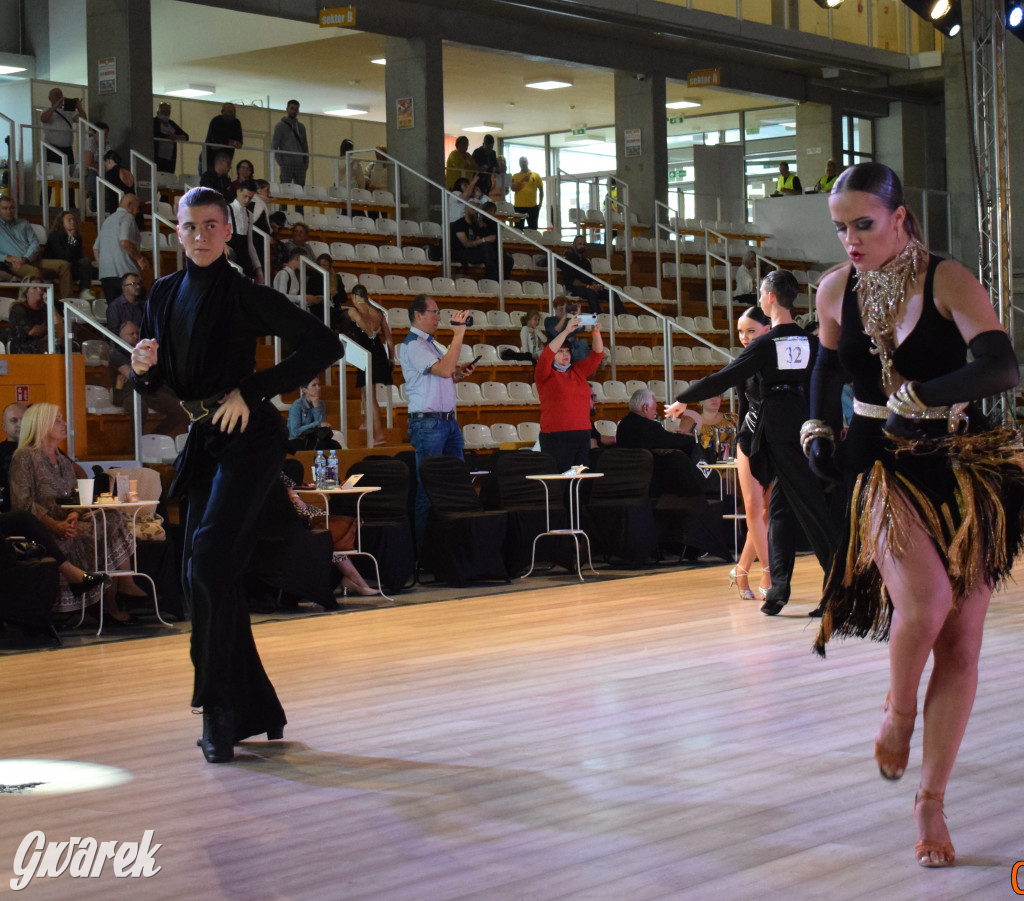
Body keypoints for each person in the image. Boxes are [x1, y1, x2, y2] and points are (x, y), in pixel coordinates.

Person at [805, 162, 1024, 867]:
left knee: (961, 640)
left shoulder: (949, 280)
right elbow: (825, 367)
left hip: (962, 468)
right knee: (924, 603)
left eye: (863, 224)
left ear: (901, 218)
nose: (851, 240)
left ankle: (930, 799)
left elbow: (1000, 366)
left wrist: (926, 393)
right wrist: (815, 427)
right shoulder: (836, 287)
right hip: (877, 466)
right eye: (841, 228)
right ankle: (897, 714)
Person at [129, 186, 342, 763]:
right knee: (203, 570)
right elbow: (159, 381)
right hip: (204, 440)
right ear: (176, 231)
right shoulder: (165, 293)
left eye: (210, 225)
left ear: (228, 231)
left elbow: (325, 344)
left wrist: (251, 388)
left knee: (210, 560)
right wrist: (141, 369)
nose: (199, 235)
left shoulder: (247, 293)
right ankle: (247, 708)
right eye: (189, 226)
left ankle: (221, 707)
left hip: (251, 441)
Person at [665, 270, 838, 616]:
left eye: (761, 293)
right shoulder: (811, 342)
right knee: (781, 508)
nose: (759, 298)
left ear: (771, 297)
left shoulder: (766, 344)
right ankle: (779, 589)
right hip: (804, 423)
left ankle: (840, 589)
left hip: (777, 426)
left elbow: (723, 377)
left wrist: (684, 398)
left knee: (810, 508)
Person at [9, 403, 146, 621]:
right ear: (41, 424)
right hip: (43, 528)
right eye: (58, 420)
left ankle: (117, 592)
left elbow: (75, 495)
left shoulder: (63, 460)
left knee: (111, 518)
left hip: (69, 523)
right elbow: (22, 503)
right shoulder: (24, 457)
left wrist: (73, 515)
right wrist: (56, 525)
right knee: (103, 535)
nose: (64, 424)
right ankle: (111, 603)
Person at [400, 294, 477, 537]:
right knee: (429, 488)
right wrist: (458, 334)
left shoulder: (432, 343)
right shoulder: (413, 344)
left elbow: (445, 374)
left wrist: (459, 373)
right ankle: (423, 552)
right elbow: (443, 370)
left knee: (455, 484)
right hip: (428, 423)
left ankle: (451, 544)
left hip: (446, 421)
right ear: (418, 315)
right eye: (434, 312)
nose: (439, 317)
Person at [728, 306, 773, 599]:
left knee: (767, 512)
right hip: (748, 439)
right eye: (741, 332)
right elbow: (744, 409)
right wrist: (740, 446)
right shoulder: (742, 363)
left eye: (750, 331)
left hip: (775, 441)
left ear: (767, 328)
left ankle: (741, 569)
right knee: (754, 510)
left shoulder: (777, 359)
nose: (744, 337)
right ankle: (770, 573)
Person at [535, 313, 604, 472]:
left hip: (582, 434)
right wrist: (566, 331)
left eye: (567, 351)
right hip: (555, 437)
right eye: (560, 351)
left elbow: (597, 356)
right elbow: (546, 356)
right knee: (560, 482)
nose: (565, 354)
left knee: (580, 483)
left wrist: (596, 333)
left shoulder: (577, 371)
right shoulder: (544, 374)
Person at [334, 284, 394, 446]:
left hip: (366, 353)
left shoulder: (354, 311)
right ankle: (368, 421)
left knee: (370, 396)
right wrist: (392, 358)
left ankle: (379, 434)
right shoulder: (379, 313)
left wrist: (369, 333)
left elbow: (365, 328)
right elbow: (389, 338)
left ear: (354, 297)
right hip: (379, 352)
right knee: (366, 389)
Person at [0, 196, 72, 298]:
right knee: (34, 272)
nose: (9, 211)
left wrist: (26, 258)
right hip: (14, 264)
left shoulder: (23, 223)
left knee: (64, 265)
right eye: (5, 208)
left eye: (12, 208)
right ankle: (43, 304)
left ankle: (67, 304)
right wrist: (6, 257)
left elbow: (34, 243)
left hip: (31, 259)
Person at [93, 193, 147, 303]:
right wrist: (140, 259)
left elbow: (95, 249)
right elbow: (125, 242)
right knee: (136, 310)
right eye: (137, 208)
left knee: (115, 314)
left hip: (106, 276)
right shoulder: (128, 218)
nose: (137, 212)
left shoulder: (108, 220)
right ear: (130, 205)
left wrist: (103, 267)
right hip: (125, 275)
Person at [616, 388, 696, 453]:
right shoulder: (648, 427)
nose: (656, 413)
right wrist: (691, 438)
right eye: (654, 408)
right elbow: (671, 441)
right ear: (646, 408)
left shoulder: (623, 425)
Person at [44, 210, 95, 297]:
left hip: (72, 267)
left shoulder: (77, 237)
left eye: (74, 220)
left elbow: (79, 257)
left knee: (86, 262)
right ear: (62, 223)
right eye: (69, 220)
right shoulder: (55, 236)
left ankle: (85, 292)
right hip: (58, 268)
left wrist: (73, 239)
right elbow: (64, 258)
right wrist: (71, 241)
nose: (73, 222)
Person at [8, 279, 64, 354]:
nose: (39, 290)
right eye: (35, 288)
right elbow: (31, 331)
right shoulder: (18, 309)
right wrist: (51, 330)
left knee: (62, 342)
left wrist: (50, 303)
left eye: (41, 287)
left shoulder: (46, 306)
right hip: (23, 346)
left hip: (46, 341)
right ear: (26, 292)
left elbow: (59, 326)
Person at [559, 235, 610, 314]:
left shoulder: (586, 261)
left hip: (588, 288)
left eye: (583, 244)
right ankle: (599, 315)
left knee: (610, 293)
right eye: (580, 244)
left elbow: (590, 278)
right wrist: (588, 286)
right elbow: (572, 281)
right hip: (574, 289)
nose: (582, 246)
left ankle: (621, 314)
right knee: (590, 292)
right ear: (574, 245)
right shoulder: (568, 261)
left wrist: (594, 285)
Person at [286, 377, 337, 451]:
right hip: (297, 439)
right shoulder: (297, 405)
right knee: (320, 446)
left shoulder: (321, 404)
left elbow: (322, 429)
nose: (318, 388)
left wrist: (316, 406)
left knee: (334, 445)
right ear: (304, 389)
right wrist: (316, 424)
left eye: (319, 385)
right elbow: (295, 432)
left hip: (315, 438)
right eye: (314, 385)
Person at [227, 179, 263, 281]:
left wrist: (258, 267)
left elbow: (250, 243)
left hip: (244, 256)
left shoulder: (249, 215)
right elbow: (214, 232)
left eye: (250, 198)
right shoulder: (226, 210)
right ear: (238, 191)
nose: (247, 200)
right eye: (245, 196)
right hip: (230, 255)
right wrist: (222, 245)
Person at [39, 87, 84, 166]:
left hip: (68, 149)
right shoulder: (47, 111)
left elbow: (83, 119)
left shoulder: (68, 112)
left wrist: (79, 107)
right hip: (52, 149)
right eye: (55, 95)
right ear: (50, 98)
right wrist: (56, 105)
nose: (58, 97)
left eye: (60, 95)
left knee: (68, 173)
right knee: (54, 173)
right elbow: (44, 118)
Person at [272, 99, 309, 190]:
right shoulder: (280, 126)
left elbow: (305, 146)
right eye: (292, 108)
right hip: (286, 164)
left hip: (300, 164)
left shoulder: (301, 127)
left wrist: (305, 163)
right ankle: (283, 205)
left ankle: (299, 205)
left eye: (296, 109)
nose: (294, 111)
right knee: (285, 191)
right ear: (287, 109)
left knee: (301, 192)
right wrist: (282, 163)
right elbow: (274, 146)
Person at [202, 102, 243, 172]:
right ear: (222, 112)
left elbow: (239, 144)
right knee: (207, 180)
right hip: (209, 160)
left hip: (225, 161)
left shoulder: (236, 123)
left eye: (234, 112)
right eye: (230, 112)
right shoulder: (216, 121)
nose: (233, 114)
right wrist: (232, 142)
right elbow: (216, 143)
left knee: (223, 181)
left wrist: (226, 142)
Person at [1, 402, 26, 512]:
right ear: (4, 426)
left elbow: (76, 470)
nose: (20, 424)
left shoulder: (43, 448)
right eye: (14, 420)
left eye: (24, 419)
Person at [153, 102, 189, 174]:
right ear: (158, 112)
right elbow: (155, 134)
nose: (166, 113)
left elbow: (186, 136)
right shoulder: (154, 122)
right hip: (157, 155)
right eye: (164, 111)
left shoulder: (171, 123)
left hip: (169, 157)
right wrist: (168, 137)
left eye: (168, 111)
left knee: (169, 175)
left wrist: (177, 137)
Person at [511, 156, 544, 229]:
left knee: (533, 229)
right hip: (519, 207)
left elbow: (541, 190)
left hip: (532, 207)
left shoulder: (536, 175)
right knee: (518, 229)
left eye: (524, 161)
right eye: (521, 162)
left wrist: (540, 204)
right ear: (519, 164)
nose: (523, 163)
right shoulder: (515, 176)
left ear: (528, 162)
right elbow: (513, 189)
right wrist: (523, 180)